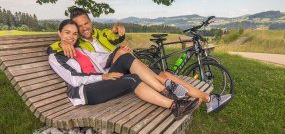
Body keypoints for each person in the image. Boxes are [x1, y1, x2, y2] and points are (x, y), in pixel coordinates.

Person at [52, 7, 232, 113]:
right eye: (78, 27)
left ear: (90, 22)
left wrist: (117, 33)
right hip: (112, 73)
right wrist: (62, 42)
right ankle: (170, 91)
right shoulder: (76, 45)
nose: (83, 28)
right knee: (132, 61)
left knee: (165, 74)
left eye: (85, 24)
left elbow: (114, 38)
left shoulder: (99, 33)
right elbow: (56, 50)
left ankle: (209, 99)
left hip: (123, 66)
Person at [48, 19, 200, 120]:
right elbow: (74, 79)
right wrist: (102, 77)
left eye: (74, 34)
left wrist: (119, 52)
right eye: (67, 33)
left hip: (99, 81)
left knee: (126, 58)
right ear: (59, 34)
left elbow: (102, 59)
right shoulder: (56, 56)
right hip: (84, 91)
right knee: (131, 79)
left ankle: (167, 91)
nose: (71, 37)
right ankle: (175, 105)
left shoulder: (80, 50)